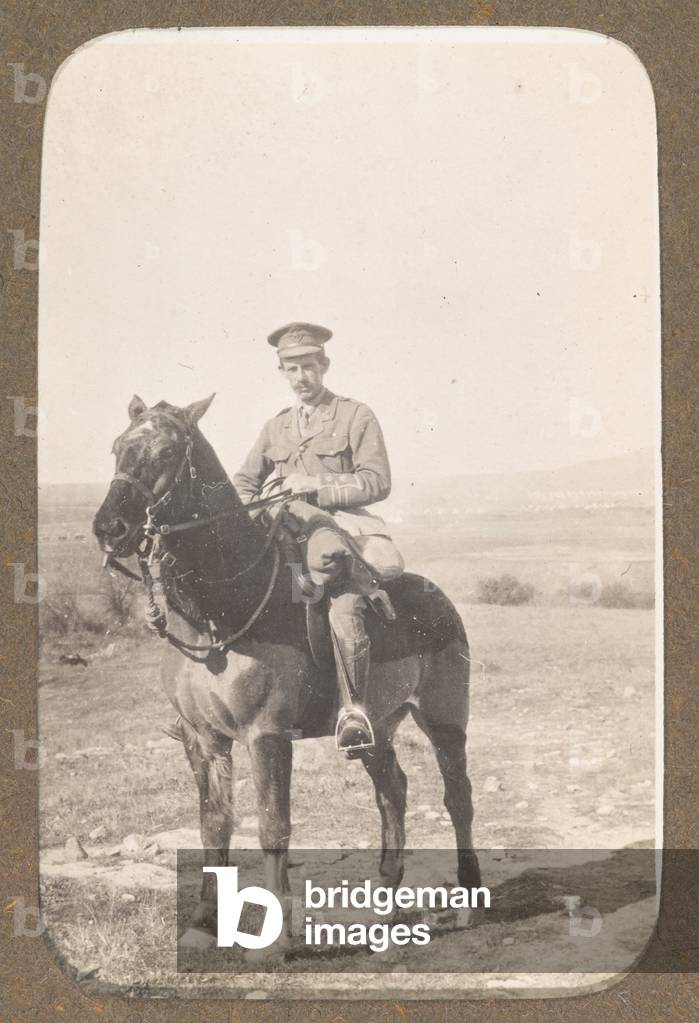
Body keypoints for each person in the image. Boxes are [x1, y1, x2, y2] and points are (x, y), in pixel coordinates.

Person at [233, 322, 404, 756]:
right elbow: (243, 484)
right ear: (281, 372)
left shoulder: (355, 415)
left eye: (308, 367)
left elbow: (377, 481)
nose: (300, 378)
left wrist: (316, 486)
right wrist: (258, 508)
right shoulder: (275, 428)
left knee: (343, 600)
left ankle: (353, 711)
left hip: (343, 531)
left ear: (323, 366)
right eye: (291, 369)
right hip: (287, 534)